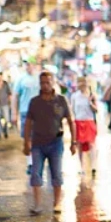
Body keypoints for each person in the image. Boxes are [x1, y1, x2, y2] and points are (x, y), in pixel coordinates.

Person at [23, 71, 76, 214]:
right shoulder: (35, 102)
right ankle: (37, 204)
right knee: (35, 173)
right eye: (42, 83)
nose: (45, 85)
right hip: (37, 143)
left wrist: (74, 142)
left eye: (48, 82)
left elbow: (71, 121)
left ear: (53, 83)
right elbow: (28, 123)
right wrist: (26, 142)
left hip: (56, 143)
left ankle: (57, 203)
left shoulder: (61, 100)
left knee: (56, 174)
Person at [14, 61, 41, 173]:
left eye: (30, 64)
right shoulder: (21, 79)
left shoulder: (39, 78)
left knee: (38, 138)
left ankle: (37, 161)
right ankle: (30, 163)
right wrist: (14, 113)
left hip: (39, 112)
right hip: (25, 111)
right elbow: (15, 96)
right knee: (27, 138)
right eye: (27, 64)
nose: (28, 66)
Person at [71, 77, 98, 177]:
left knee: (91, 143)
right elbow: (73, 109)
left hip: (89, 121)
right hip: (79, 121)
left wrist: (90, 102)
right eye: (79, 82)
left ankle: (93, 166)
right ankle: (81, 167)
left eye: (83, 82)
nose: (81, 84)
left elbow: (96, 110)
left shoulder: (91, 95)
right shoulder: (74, 96)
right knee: (80, 145)